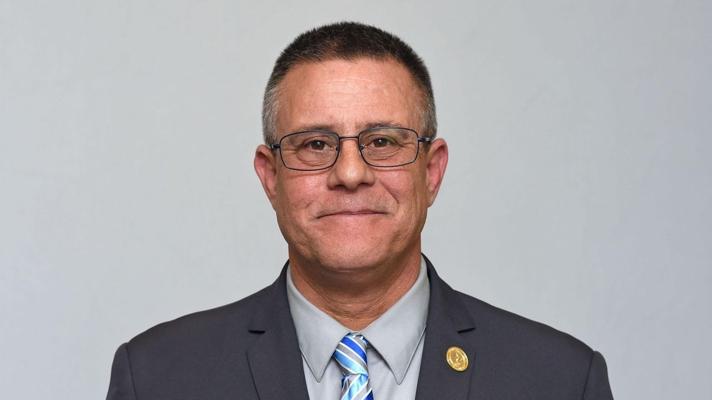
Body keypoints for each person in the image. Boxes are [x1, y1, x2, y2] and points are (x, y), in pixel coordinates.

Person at [106, 22, 614, 400]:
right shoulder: (158, 377)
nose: (350, 173)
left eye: (383, 141)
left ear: (432, 171)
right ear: (270, 176)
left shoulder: (560, 380)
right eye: (315, 144)